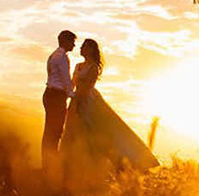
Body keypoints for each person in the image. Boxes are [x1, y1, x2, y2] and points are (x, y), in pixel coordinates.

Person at [61, 38, 159, 186]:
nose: (81, 48)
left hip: (89, 102)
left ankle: (119, 164)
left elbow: (87, 87)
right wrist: (70, 98)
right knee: (72, 131)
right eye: (81, 46)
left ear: (91, 50)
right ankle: (70, 167)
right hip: (76, 100)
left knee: (99, 131)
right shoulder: (78, 66)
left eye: (84, 47)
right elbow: (72, 84)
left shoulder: (93, 67)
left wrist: (78, 102)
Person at [42, 29, 76, 172]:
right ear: (65, 41)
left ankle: (48, 162)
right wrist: (72, 95)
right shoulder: (62, 57)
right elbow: (65, 79)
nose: (74, 45)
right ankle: (51, 164)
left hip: (49, 94)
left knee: (49, 130)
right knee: (55, 131)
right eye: (72, 42)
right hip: (56, 96)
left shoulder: (53, 55)